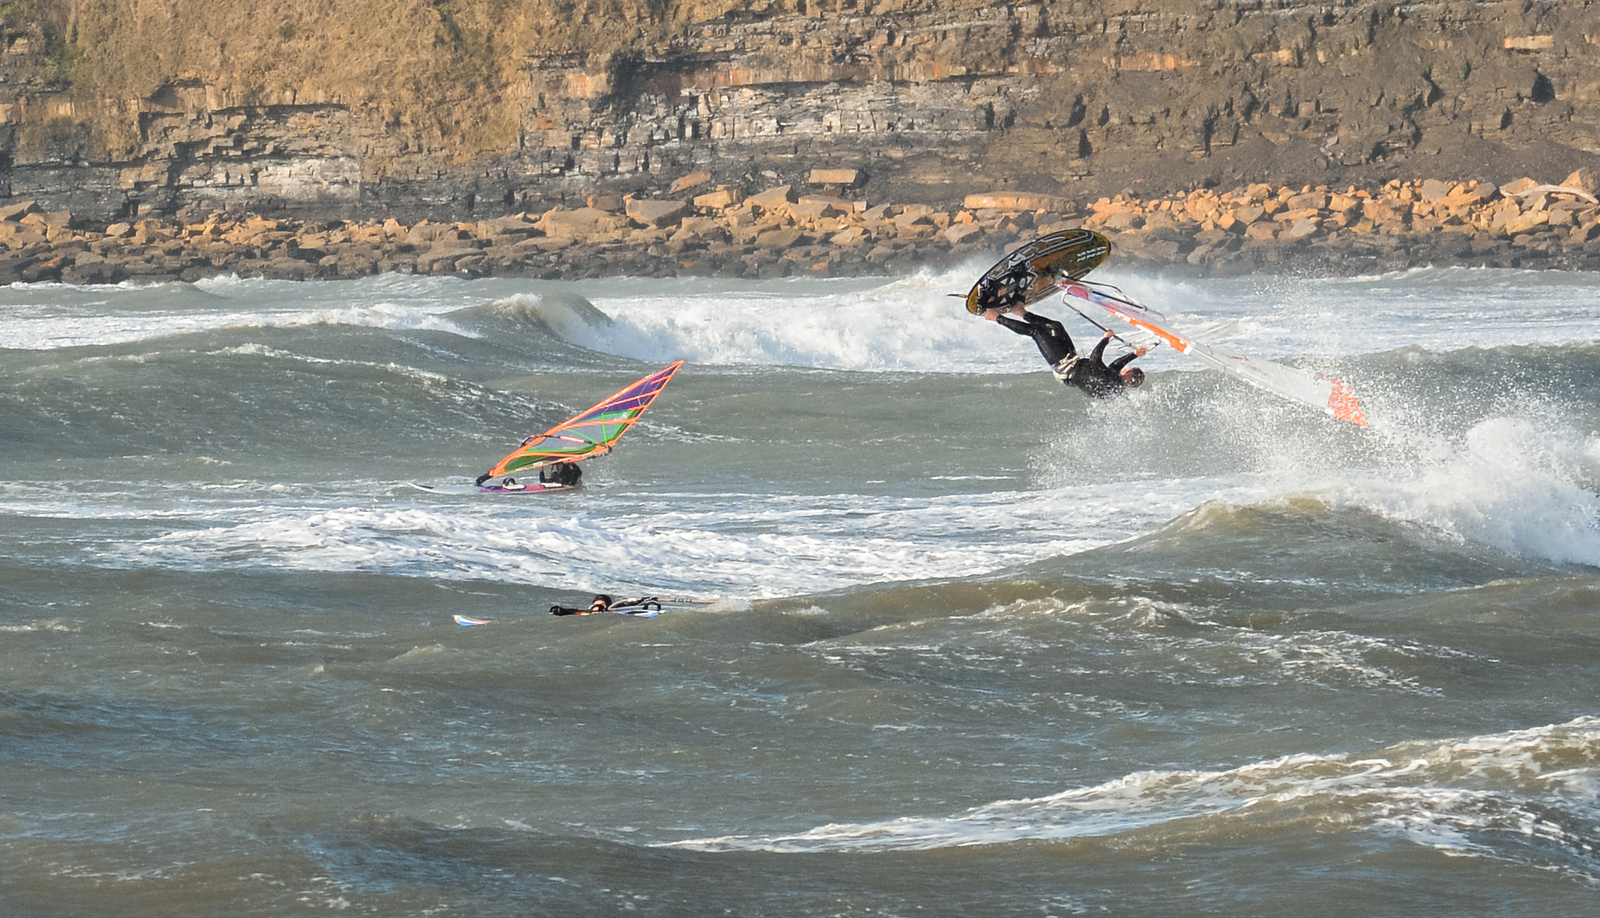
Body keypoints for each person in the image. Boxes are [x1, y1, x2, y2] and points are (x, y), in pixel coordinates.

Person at [983, 305, 1146, 398]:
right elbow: (1115, 366)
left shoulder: (1112, 381)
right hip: (1072, 361)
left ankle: (995, 317)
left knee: (1036, 332)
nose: (1125, 369)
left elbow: (1094, 360)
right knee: (1056, 327)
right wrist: (1134, 354)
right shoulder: (1115, 386)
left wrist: (1105, 339)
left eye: (1128, 370)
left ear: (1130, 376)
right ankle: (1021, 311)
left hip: (1064, 366)